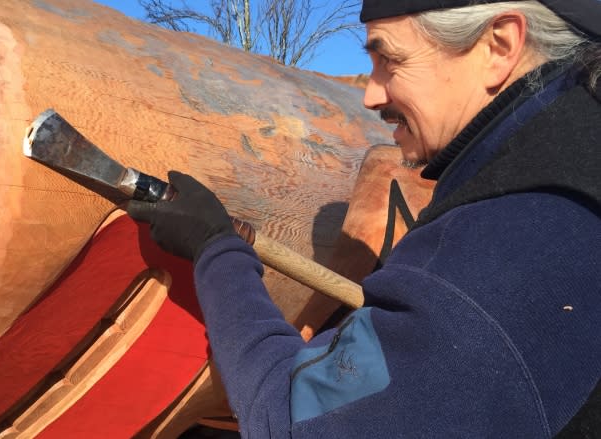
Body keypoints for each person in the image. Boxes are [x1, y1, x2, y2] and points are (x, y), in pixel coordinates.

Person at [127, 1, 601, 437]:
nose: (371, 95)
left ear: (498, 46)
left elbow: (290, 418)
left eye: (390, 60)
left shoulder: (503, 248)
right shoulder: (572, 176)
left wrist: (216, 249)